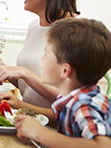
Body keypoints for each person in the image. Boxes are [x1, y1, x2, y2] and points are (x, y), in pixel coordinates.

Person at [14, 18, 111, 148]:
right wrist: (24, 111)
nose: (42, 59)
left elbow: (103, 145)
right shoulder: (73, 96)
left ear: (65, 70)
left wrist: (41, 134)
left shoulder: (83, 104)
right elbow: (59, 117)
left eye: (46, 54)